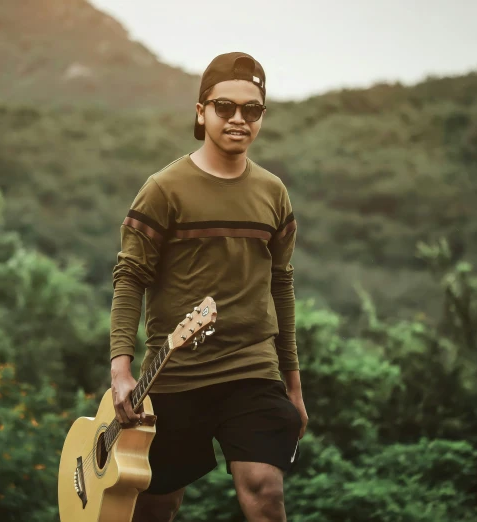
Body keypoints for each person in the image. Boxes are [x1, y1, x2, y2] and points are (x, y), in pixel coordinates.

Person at [109, 51, 308, 522]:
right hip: (175, 373)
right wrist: (121, 371)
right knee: (157, 506)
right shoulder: (164, 189)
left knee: (265, 491)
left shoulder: (273, 193)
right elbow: (129, 278)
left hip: (253, 370)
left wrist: (294, 386)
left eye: (252, 109)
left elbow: (282, 285)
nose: (239, 119)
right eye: (225, 107)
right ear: (201, 111)